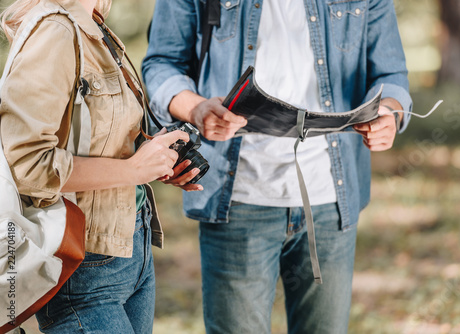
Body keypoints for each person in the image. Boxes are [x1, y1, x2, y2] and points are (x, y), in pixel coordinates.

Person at [143, 0, 412, 333]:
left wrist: (390, 112)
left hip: (330, 201)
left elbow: (391, 74)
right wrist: (196, 109)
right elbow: (160, 65)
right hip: (237, 200)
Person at [0, 0, 202, 332]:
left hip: (132, 247)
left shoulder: (95, 25)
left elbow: (91, 137)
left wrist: (153, 158)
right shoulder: (56, 31)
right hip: (84, 265)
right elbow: (28, 165)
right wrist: (133, 170)